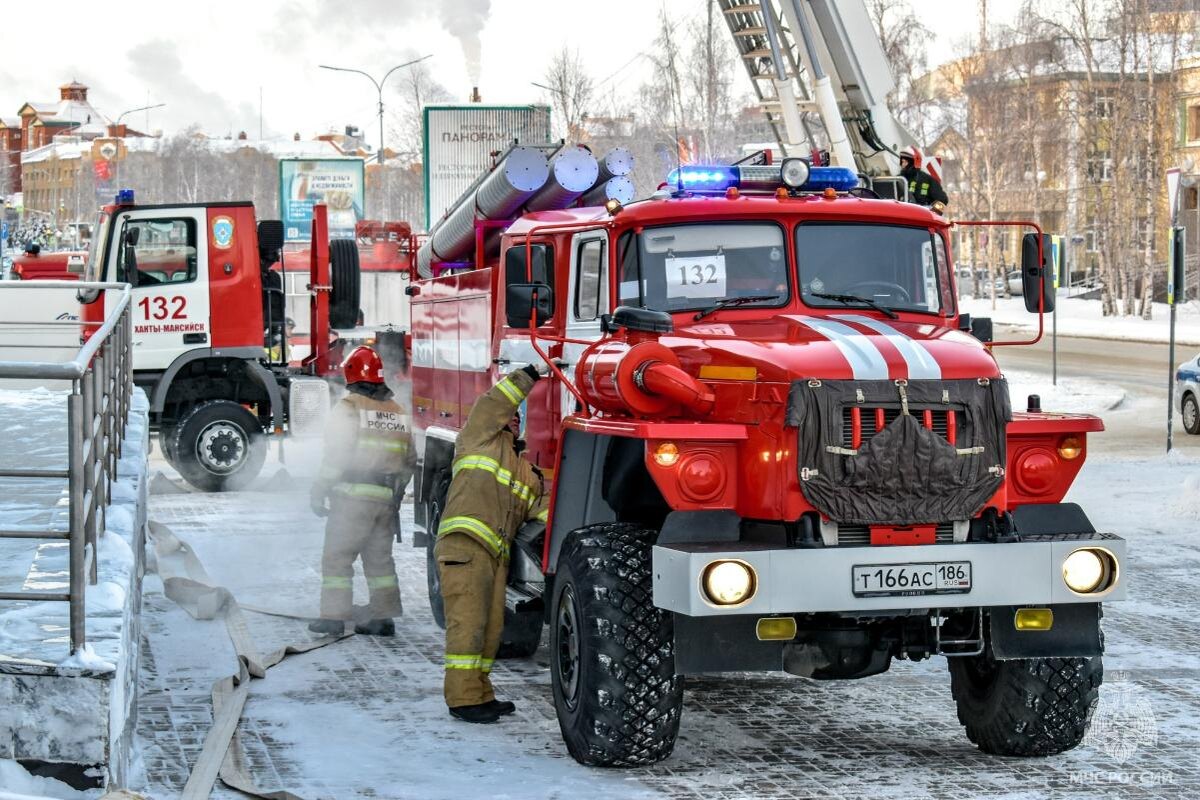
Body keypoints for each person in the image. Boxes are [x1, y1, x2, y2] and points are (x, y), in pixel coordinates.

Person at [435, 364, 550, 724]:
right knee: (467, 625)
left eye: (519, 419)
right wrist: (529, 374)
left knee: (490, 630)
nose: (514, 421)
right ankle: (463, 700)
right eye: (511, 416)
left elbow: (540, 513)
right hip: (464, 545)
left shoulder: (525, 470)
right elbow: (492, 402)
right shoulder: (478, 437)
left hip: (495, 556)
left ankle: (481, 694)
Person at [309, 346, 415, 636]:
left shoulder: (349, 408)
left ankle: (332, 618)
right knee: (379, 560)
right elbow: (409, 461)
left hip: (352, 498)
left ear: (351, 375)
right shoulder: (398, 411)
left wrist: (318, 490)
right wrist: (394, 494)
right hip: (385, 501)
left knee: (338, 557)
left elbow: (336, 457)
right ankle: (383, 618)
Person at [898, 145, 948, 214]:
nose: (903, 165)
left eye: (905, 162)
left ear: (913, 162)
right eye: (902, 162)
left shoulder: (927, 180)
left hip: (921, 218)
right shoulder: (897, 180)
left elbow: (943, 200)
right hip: (901, 215)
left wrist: (934, 213)